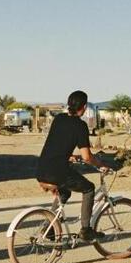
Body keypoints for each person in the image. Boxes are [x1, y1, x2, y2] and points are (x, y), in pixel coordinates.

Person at [36, 90, 111, 242]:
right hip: (57, 171)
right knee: (89, 188)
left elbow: (57, 144)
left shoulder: (59, 118)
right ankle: (86, 230)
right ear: (83, 107)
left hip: (41, 169)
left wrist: (69, 156)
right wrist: (101, 165)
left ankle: (49, 228)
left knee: (64, 193)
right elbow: (87, 157)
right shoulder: (80, 126)